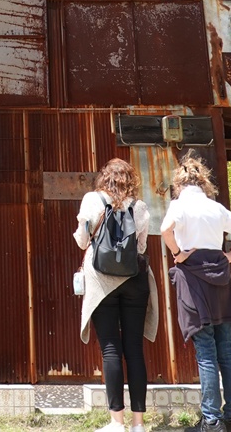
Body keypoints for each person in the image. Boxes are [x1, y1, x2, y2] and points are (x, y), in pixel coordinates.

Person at [160, 153, 231, 432]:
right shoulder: (215, 208)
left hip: (194, 280)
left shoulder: (179, 205)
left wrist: (178, 253)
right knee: (227, 351)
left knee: (205, 352)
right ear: (203, 183)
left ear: (179, 184)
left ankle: (211, 421)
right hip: (221, 278)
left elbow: (165, 230)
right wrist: (230, 256)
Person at [74, 157, 159, 432]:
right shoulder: (140, 206)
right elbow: (142, 247)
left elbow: (82, 240)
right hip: (135, 280)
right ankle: (138, 424)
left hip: (101, 280)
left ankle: (116, 422)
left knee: (110, 348)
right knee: (134, 349)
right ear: (130, 179)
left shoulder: (92, 199)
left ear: (104, 177)